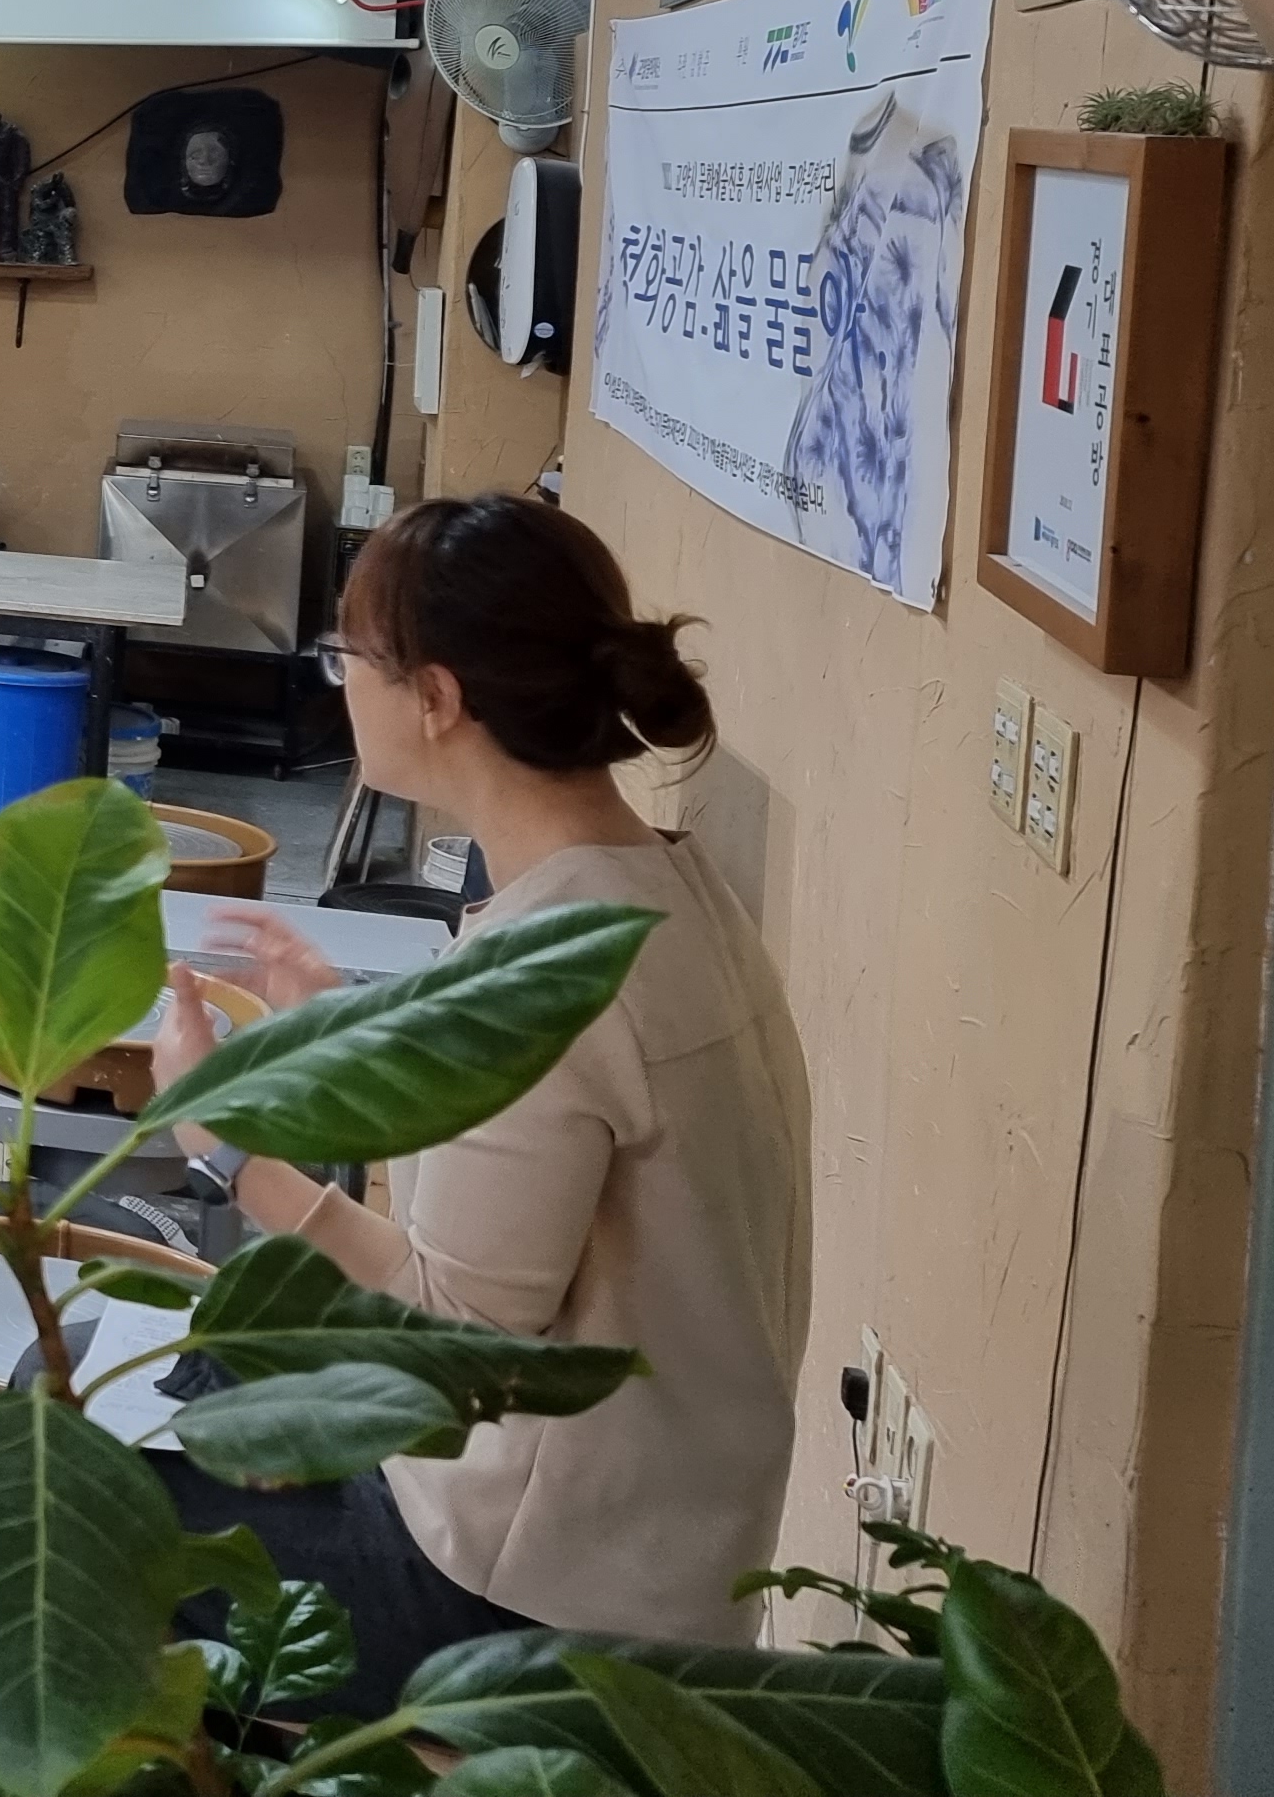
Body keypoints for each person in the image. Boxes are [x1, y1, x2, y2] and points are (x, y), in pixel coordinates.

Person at [148, 491, 811, 1710]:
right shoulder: (656, 890)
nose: (339, 680)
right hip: (658, 1541)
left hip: (528, 1594)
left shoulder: (542, 982)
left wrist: (232, 1158)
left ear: (437, 699)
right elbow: (514, 1174)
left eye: (347, 655)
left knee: (70, 1488)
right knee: (210, 1372)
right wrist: (344, 1028)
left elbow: (462, 1330)